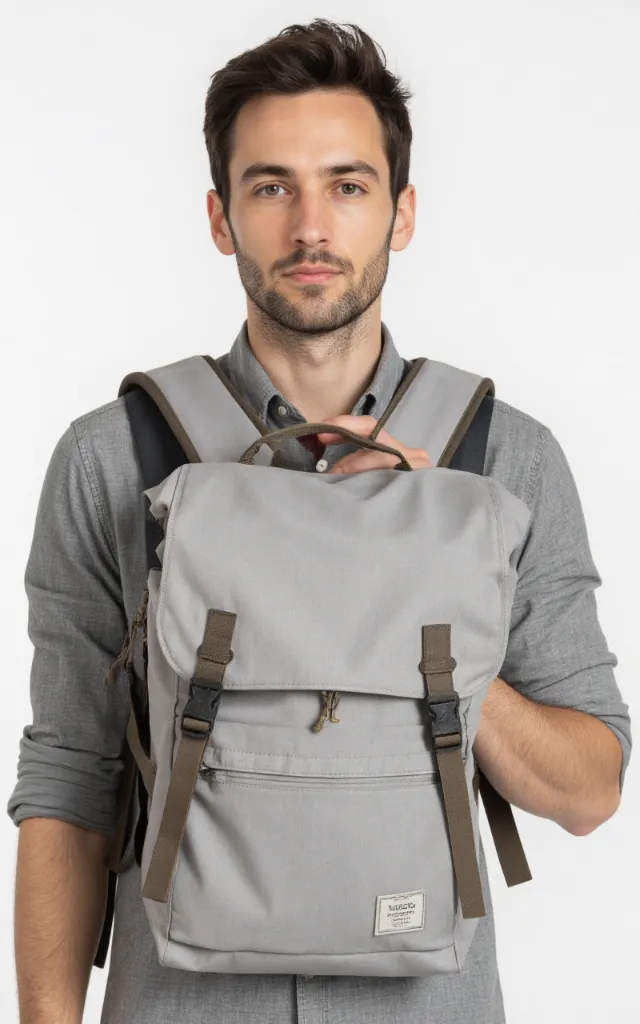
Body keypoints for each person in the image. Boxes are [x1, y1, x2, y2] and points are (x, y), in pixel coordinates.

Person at [8, 18, 631, 1024]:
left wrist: (423, 591)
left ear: (402, 211)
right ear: (221, 217)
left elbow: (588, 789)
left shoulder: (503, 460)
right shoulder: (113, 458)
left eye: (347, 185)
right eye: (270, 186)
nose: (310, 226)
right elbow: (69, 780)